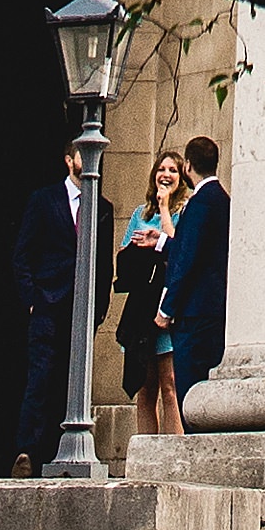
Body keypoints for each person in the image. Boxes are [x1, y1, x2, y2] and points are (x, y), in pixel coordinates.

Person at [10, 138, 85, 477]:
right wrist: (31, 300)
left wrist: (95, 312)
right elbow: (22, 255)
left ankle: (64, 455)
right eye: (82, 153)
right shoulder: (44, 200)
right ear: (69, 160)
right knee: (40, 378)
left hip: (80, 310)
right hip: (46, 304)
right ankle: (27, 451)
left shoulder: (102, 205)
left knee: (73, 384)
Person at [159, 133, 228, 415]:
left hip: (195, 313)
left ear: (187, 165)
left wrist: (167, 308)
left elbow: (188, 260)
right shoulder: (222, 198)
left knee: (190, 390)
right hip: (213, 310)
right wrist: (161, 241)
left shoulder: (201, 202)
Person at [114, 157, 181, 441]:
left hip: (166, 304)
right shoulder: (139, 213)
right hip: (141, 305)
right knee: (145, 385)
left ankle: (174, 451)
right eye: (162, 169)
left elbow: (177, 248)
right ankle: (145, 451)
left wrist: (165, 208)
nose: (166, 175)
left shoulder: (183, 211)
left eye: (173, 171)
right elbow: (123, 254)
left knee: (170, 384)